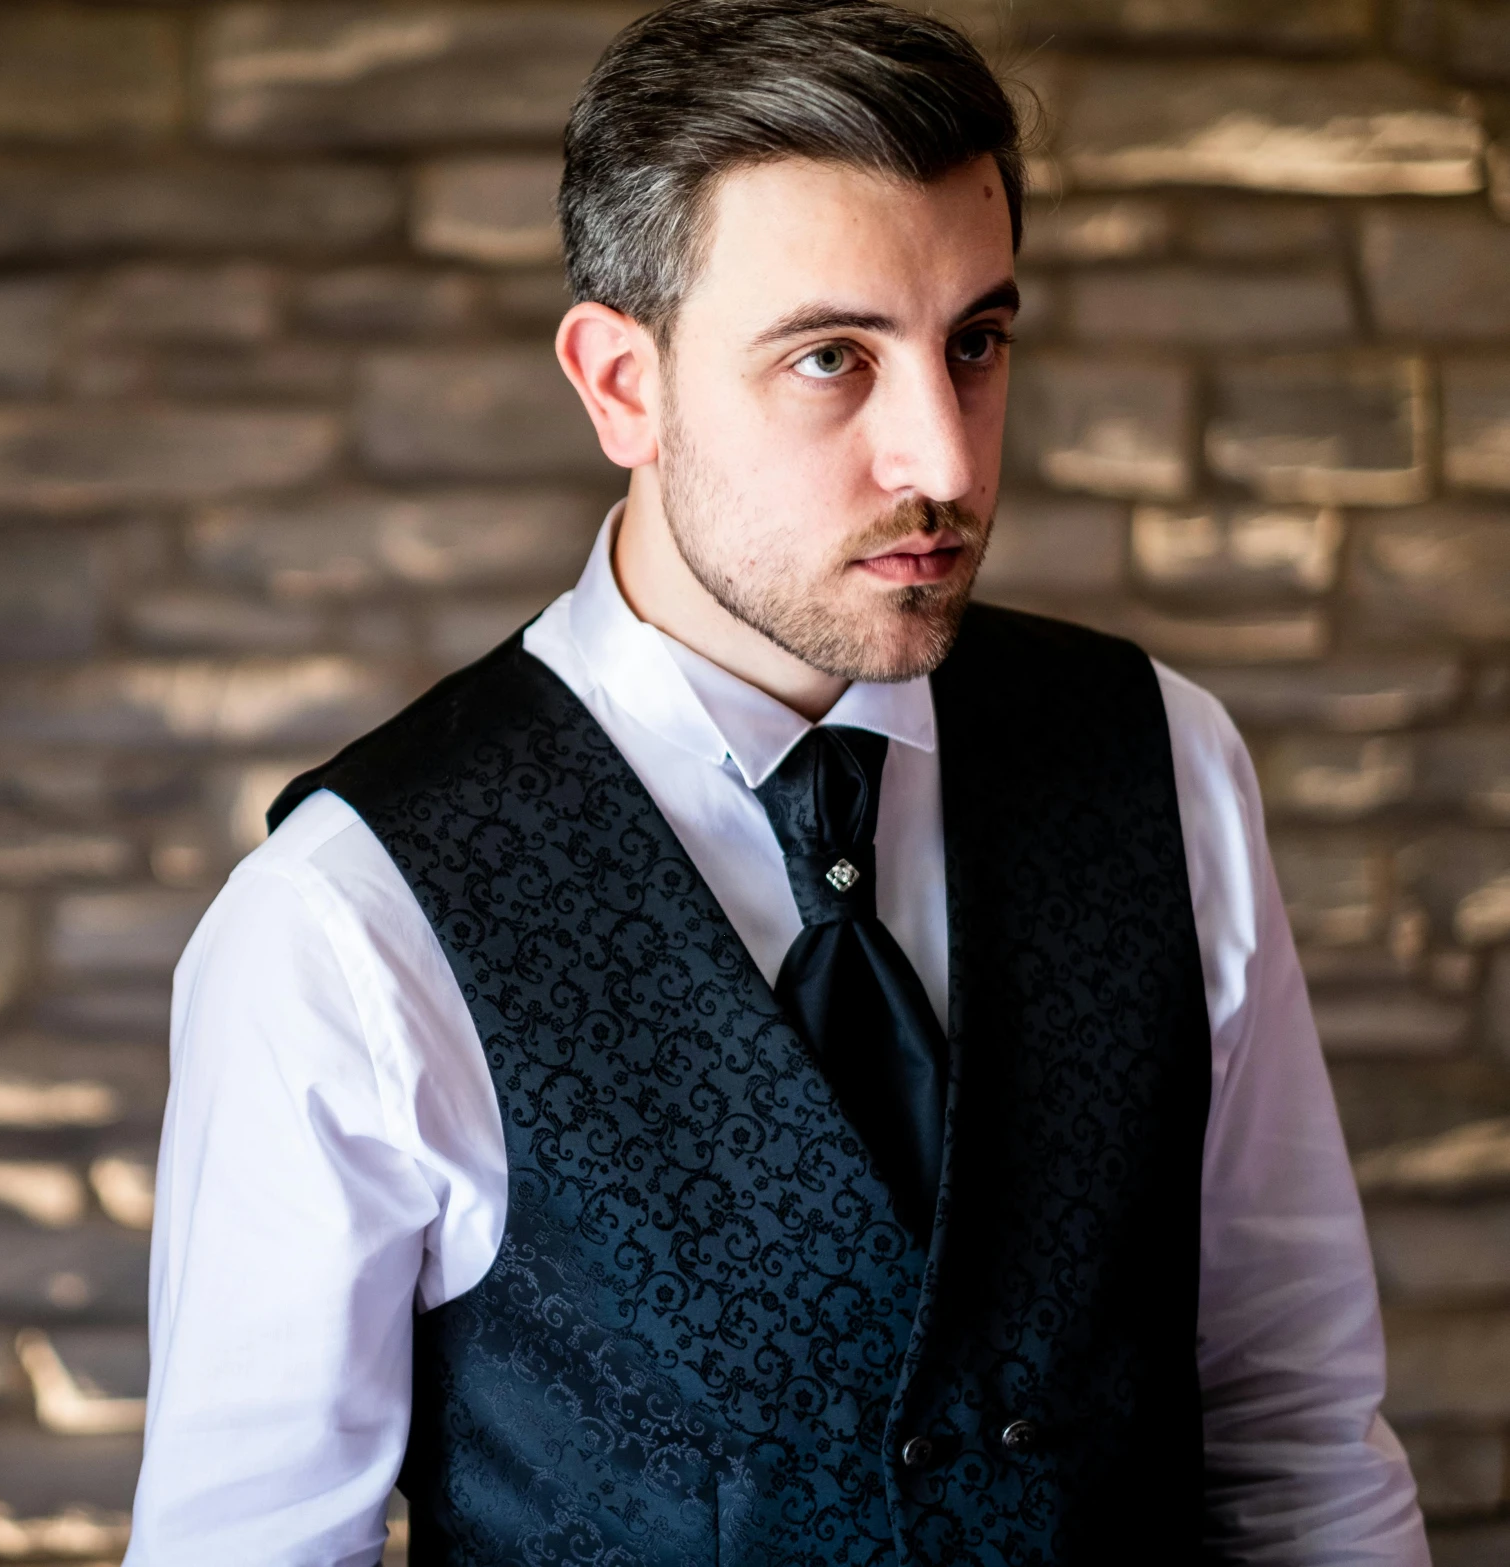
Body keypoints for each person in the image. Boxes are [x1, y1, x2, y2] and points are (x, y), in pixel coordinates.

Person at [125, 2, 1427, 1562]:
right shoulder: (343, 922)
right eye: (831, 358)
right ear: (622, 384)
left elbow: (1294, 1432)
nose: (940, 458)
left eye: (975, 342)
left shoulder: (1161, 758)